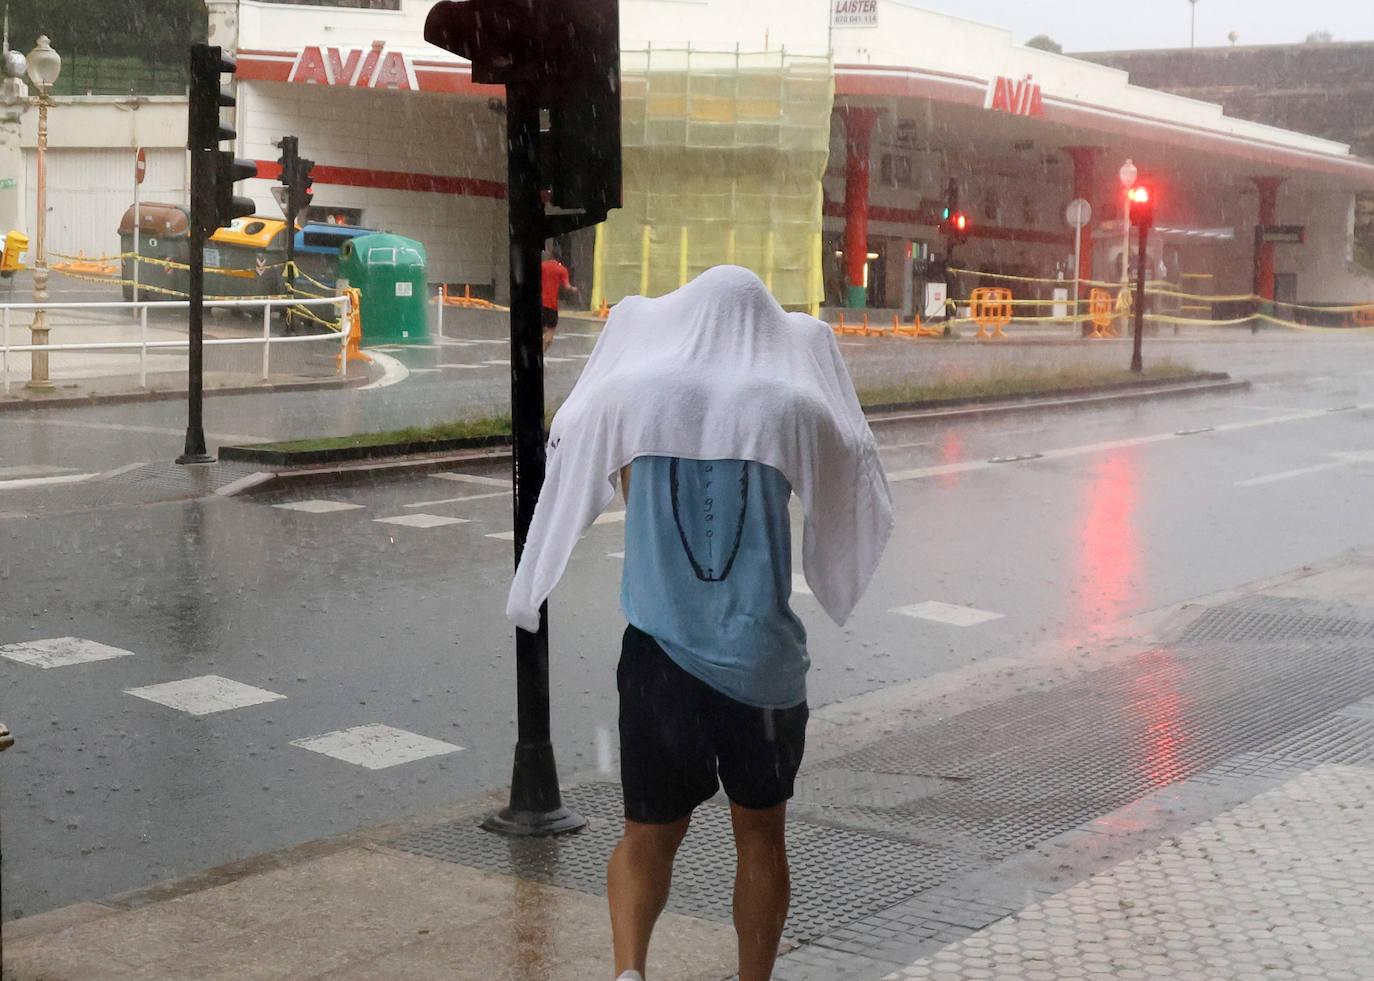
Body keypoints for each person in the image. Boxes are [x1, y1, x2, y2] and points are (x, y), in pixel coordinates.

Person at [504, 265, 892, 981]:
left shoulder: (637, 398)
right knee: (761, 840)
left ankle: (629, 971)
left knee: (647, 837)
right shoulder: (789, 400)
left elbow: (586, 454)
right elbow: (851, 463)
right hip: (763, 666)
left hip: (659, 659)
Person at [541, 249, 580, 353]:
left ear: (550, 256)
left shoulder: (542, 266)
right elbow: (567, 286)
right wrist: (574, 289)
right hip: (551, 305)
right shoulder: (561, 270)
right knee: (550, 329)